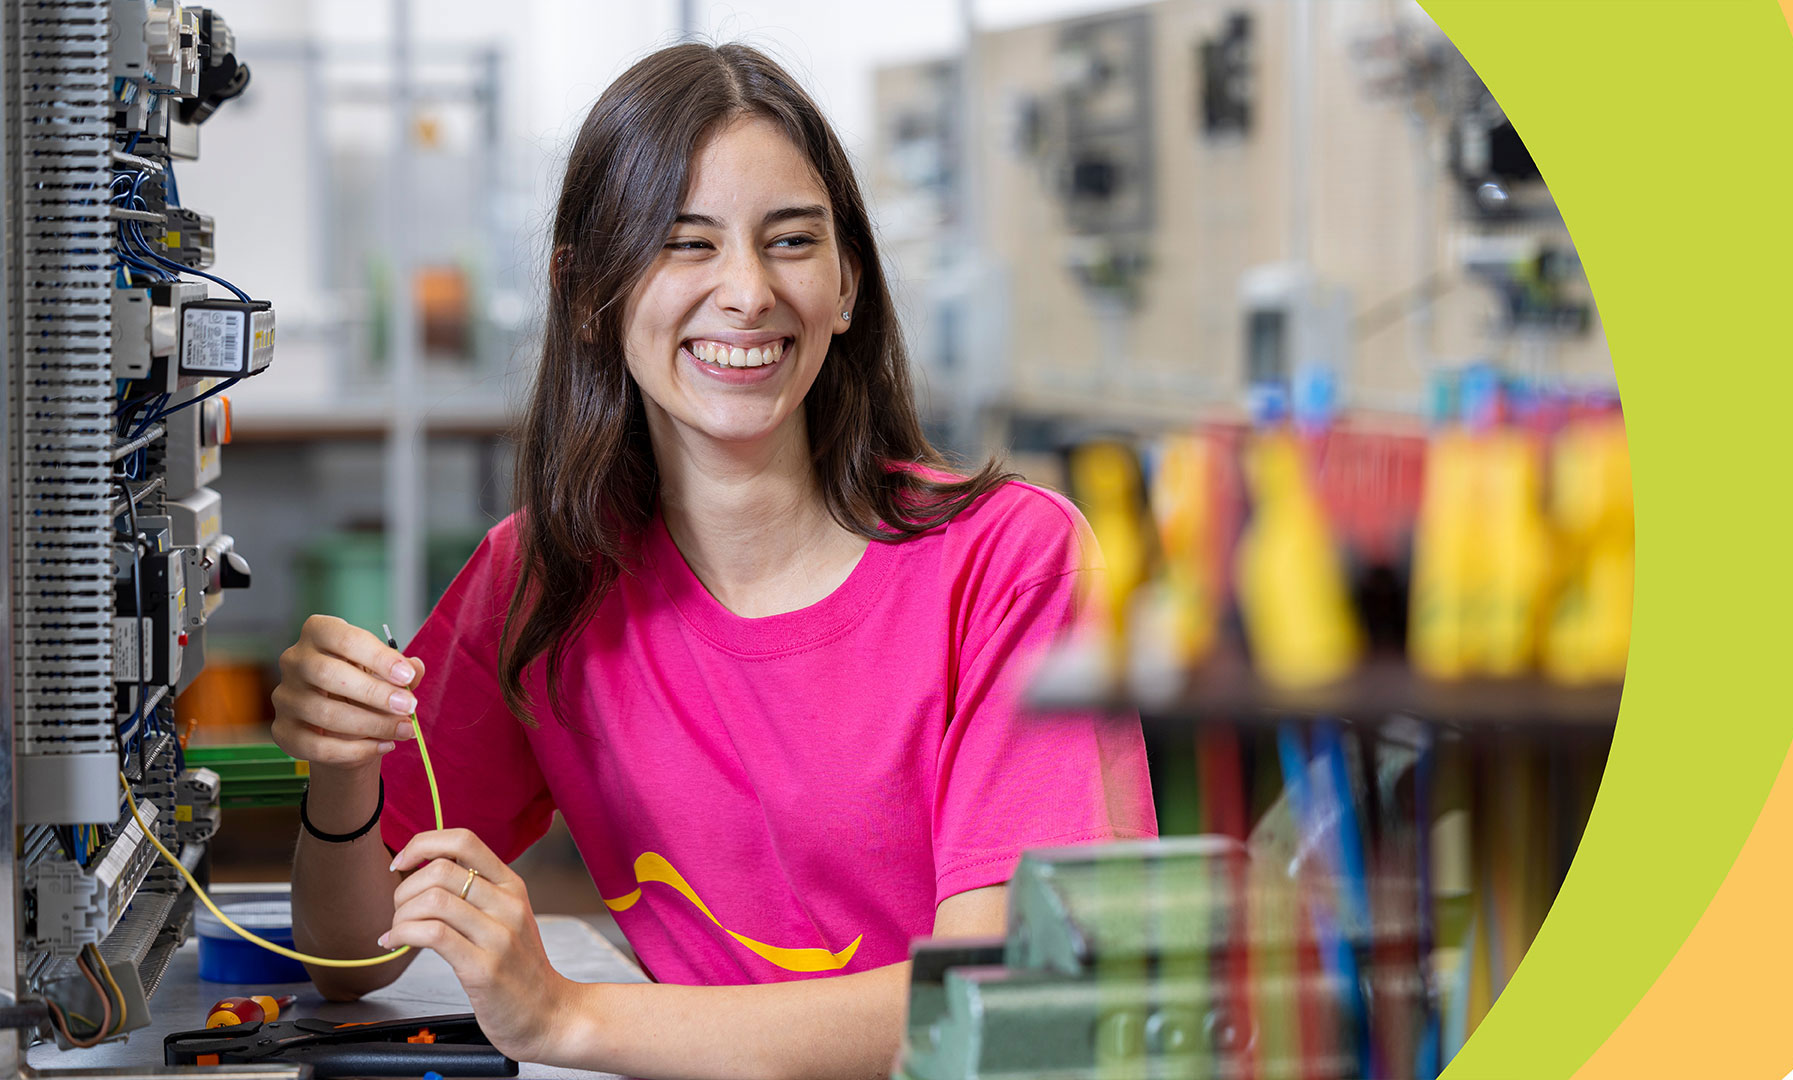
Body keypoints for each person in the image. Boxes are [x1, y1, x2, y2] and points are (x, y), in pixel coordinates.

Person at [272, 41, 1155, 1080]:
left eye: (790, 242)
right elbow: (346, 953)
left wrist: (564, 1017)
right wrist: (343, 772)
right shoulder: (544, 583)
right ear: (588, 293)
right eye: (686, 245)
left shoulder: (1011, 563)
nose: (745, 292)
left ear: (847, 285)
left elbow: (1015, 996)